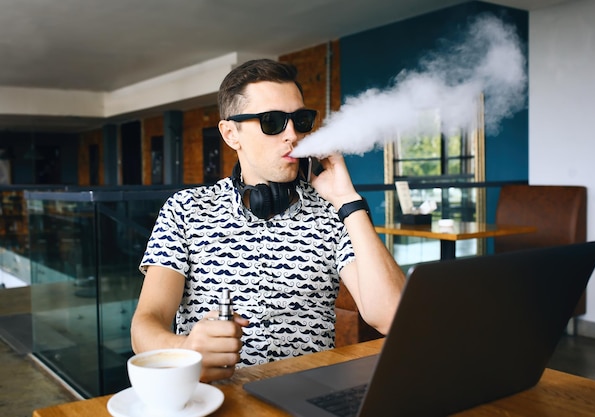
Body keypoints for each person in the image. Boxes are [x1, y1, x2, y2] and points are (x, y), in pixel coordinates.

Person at [130, 58, 405, 383]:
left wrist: (347, 200)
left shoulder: (334, 211)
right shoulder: (185, 210)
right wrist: (185, 350)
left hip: (307, 399)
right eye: (272, 121)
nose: (292, 135)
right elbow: (145, 325)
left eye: (301, 120)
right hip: (217, 400)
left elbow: (392, 317)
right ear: (231, 134)